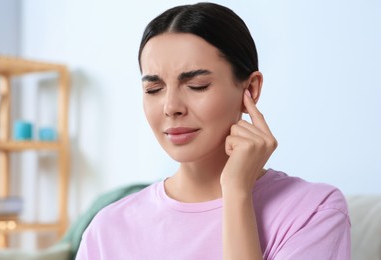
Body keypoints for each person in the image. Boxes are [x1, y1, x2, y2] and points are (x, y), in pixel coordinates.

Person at [76, 3, 350, 259]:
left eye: (197, 85)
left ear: (250, 90)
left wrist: (236, 192)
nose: (171, 107)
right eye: (153, 90)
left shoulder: (313, 211)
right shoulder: (107, 229)